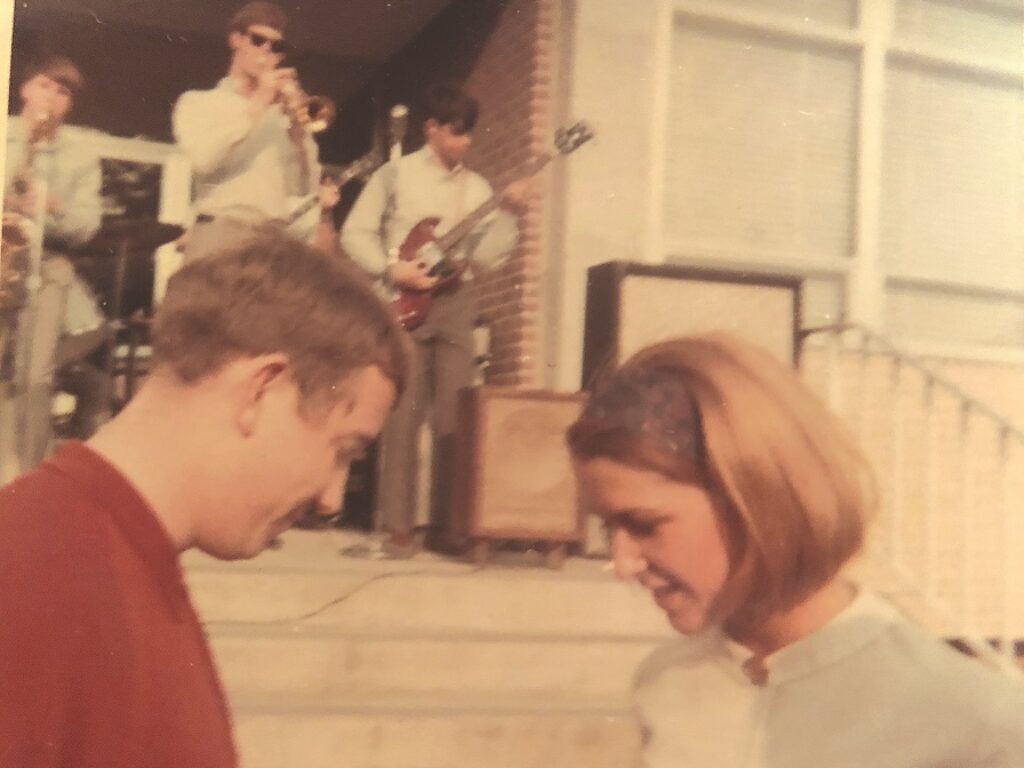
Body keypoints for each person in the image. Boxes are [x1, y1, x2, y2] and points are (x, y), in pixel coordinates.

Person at [0, 230, 407, 765]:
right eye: (344, 450)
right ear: (263, 390)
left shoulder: (120, 555)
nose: (332, 499)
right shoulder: (36, 574)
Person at [567, 333, 1024, 767]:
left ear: (757, 496)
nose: (623, 564)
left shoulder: (969, 716)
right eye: (609, 527)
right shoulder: (665, 683)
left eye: (643, 525)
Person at [341, 81, 527, 554]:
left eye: (470, 134)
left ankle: (451, 527)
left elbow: (487, 258)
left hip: (456, 303)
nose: (466, 142)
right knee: (403, 415)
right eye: (457, 132)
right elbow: (354, 233)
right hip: (404, 301)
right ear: (432, 129)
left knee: (455, 415)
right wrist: (391, 267)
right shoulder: (395, 176)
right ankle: (400, 528)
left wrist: (507, 215)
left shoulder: (479, 187)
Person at [3, 54, 108, 467]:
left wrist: (52, 207)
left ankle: (26, 479)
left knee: (35, 378)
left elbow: (87, 225)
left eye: (63, 92)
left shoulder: (81, 155)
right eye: (45, 85)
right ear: (25, 88)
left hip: (45, 269)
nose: (52, 97)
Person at [173, 1, 321, 261]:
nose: (267, 50)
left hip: (272, 239)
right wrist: (260, 103)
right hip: (220, 231)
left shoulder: (283, 116)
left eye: (277, 47)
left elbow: (305, 186)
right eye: (258, 40)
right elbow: (203, 160)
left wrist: (297, 131)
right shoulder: (199, 102)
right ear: (236, 40)